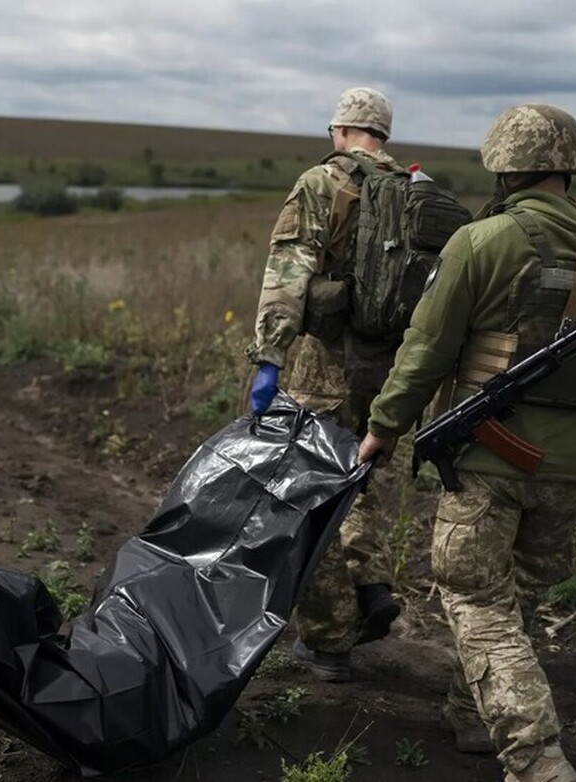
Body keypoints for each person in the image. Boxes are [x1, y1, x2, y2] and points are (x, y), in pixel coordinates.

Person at [359, 105, 576, 782]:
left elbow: (426, 350)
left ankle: (537, 759)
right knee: (512, 597)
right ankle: (470, 715)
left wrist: (382, 428)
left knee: (475, 599)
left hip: (493, 456)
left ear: (505, 164)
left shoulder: (483, 240)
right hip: (570, 467)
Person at [245, 87, 403, 681]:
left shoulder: (321, 183)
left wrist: (268, 359)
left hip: (325, 368)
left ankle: (329, 639)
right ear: (382, 135)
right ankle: (368, 584)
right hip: (388, 372)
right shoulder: (413, 190)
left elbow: (288, 272)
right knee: (356, 484)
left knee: (305, 493)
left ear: (339, 130)